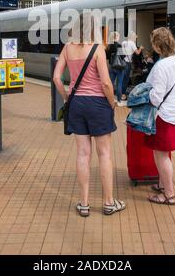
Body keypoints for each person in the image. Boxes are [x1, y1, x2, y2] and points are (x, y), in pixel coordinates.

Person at [53, 14, 125, 217]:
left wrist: (66, 97)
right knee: (105, 154)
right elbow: (105, 84)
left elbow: (57, 78)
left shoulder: (67, 47)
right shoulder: (97, 48)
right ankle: (108, 202)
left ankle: (84, 204)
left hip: (76, 103)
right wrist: (112, 103)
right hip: (98, 104)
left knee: (83, 154)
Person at [145, 27, 175, 205]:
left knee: (161, 155)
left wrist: (145, 95)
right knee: (166, 152)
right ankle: (162, 184)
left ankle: (168, 195)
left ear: (157, 46)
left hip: (164, 115)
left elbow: (156, 97)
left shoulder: (161, 66)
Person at [121, 32, 144, 100]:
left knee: (121, 79)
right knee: (126, 79)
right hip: (127, 63)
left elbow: (121, 52)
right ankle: (123, 95)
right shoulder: (132, 43)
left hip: (122, 62)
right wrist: (140, 48)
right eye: (135, 37)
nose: (135, 39)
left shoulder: (123, 42)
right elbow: (137, 53)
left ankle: (120, 94)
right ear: (132, 37)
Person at [106, 31, 125, 106]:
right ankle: (119, 100)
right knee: (119, 83)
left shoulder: (109, 46)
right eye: (118, 36)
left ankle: (109, 98)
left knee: (111, 83)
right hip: (119, 66)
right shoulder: (119, 45)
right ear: (116, 37)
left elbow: (107, 57)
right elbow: (123, 56)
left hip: (111, 66)